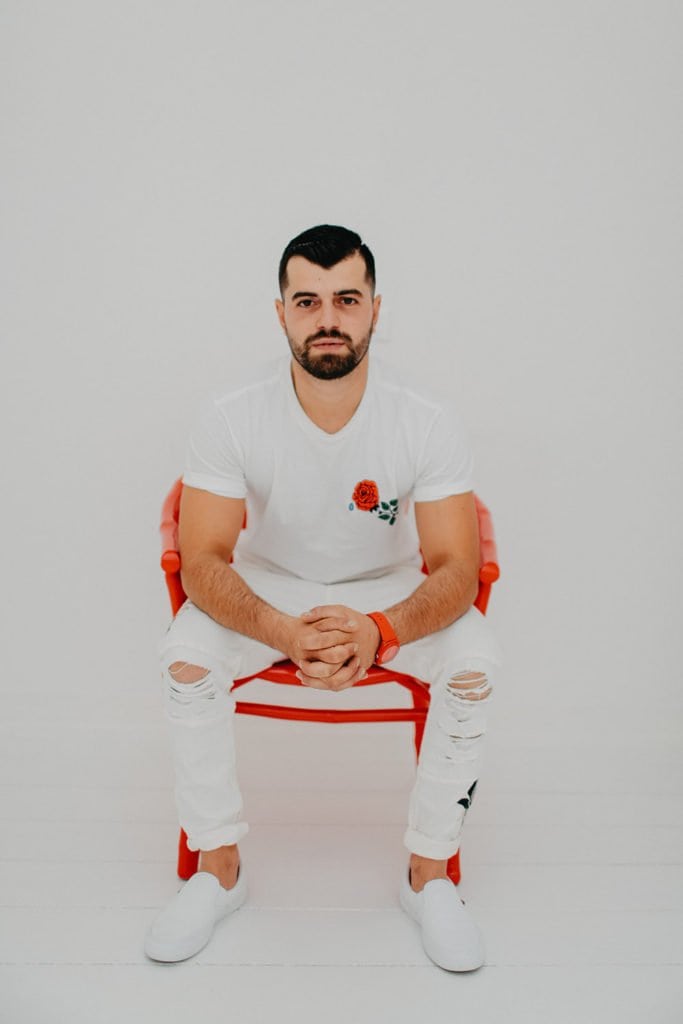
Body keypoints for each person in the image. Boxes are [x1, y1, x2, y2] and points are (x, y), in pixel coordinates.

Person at [144, 224, 502, 971]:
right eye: (307, 300)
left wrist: (379, 629)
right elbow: (205, 557)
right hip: (267, 584)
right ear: (280, 312)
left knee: (475, 663)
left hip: (388, 590)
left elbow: (456, 566)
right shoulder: (230, 411)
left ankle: (428, 873)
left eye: (346, 298)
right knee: (184, 656)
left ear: (376, 308)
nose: (328, 317)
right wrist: (280, 629)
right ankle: (218, 867)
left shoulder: (426, 417)